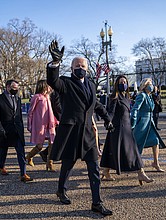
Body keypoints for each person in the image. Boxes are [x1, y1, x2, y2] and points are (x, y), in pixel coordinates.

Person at [47, 40, 113, 216]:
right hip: (71, 133)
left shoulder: (91, 84)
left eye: (83, 65)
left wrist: (107, 119)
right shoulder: (65, 83)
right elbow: (53, 81)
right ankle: (61, 190)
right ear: (71, 68)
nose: (80, 67)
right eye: (77, 65)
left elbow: (96, 104)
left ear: (87, 68)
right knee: (67, 165)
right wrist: (54, 64)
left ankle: (97, 203)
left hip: (88, 135)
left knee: (94, 168)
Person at [100, 75, 153, 185]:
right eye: (121, 82)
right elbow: (111, 112)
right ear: (117, 84)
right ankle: (140, 172)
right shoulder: (115, 97)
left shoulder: (126, 97)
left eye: (125, 82)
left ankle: (106, 171)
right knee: (130, 151)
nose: (123, 84)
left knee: (113, 149)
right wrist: (108, 121)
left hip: (127, 127)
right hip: (118, 128)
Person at [130, 78, 166, 172]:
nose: (152, 86)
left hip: (149, 123)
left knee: (156, 141)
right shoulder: (141, 95)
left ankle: (156, 163)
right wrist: (133, 121)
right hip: (141, 124)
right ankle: (131, 163)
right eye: (149, 84)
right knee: (137, 144)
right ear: (145, 86)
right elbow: (135, 109)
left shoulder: (149, 96)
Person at [0, 79, 33, 182]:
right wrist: (1, 130)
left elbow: (18, 115)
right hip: (4, 130)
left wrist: (22, 129)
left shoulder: (18, 99)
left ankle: (23, 174)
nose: (16, 90)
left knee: (21, 152)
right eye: (14, 88)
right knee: (2, 151)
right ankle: (1, 167)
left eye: (17, 88)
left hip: (17, 130)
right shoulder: (0, 99)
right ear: (8, 87)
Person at [26, 80, 59, 171]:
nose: (50, 88)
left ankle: (50, 163)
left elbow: (50, 111)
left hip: (50, 123)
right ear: (43, 86)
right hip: (39, 124)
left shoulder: (48, 97)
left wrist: (55, 120)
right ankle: (29, 156)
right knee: (40, 146)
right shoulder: (37, 97)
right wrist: (30, 125)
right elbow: (30, 112)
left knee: (52, 143)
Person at [39, 90, 62, 162]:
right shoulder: (57, 92)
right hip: (57, 119)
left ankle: (46, 153)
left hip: (56, 119)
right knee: (59, 139)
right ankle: (46, 154)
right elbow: (57, 106)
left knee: (59, 139)